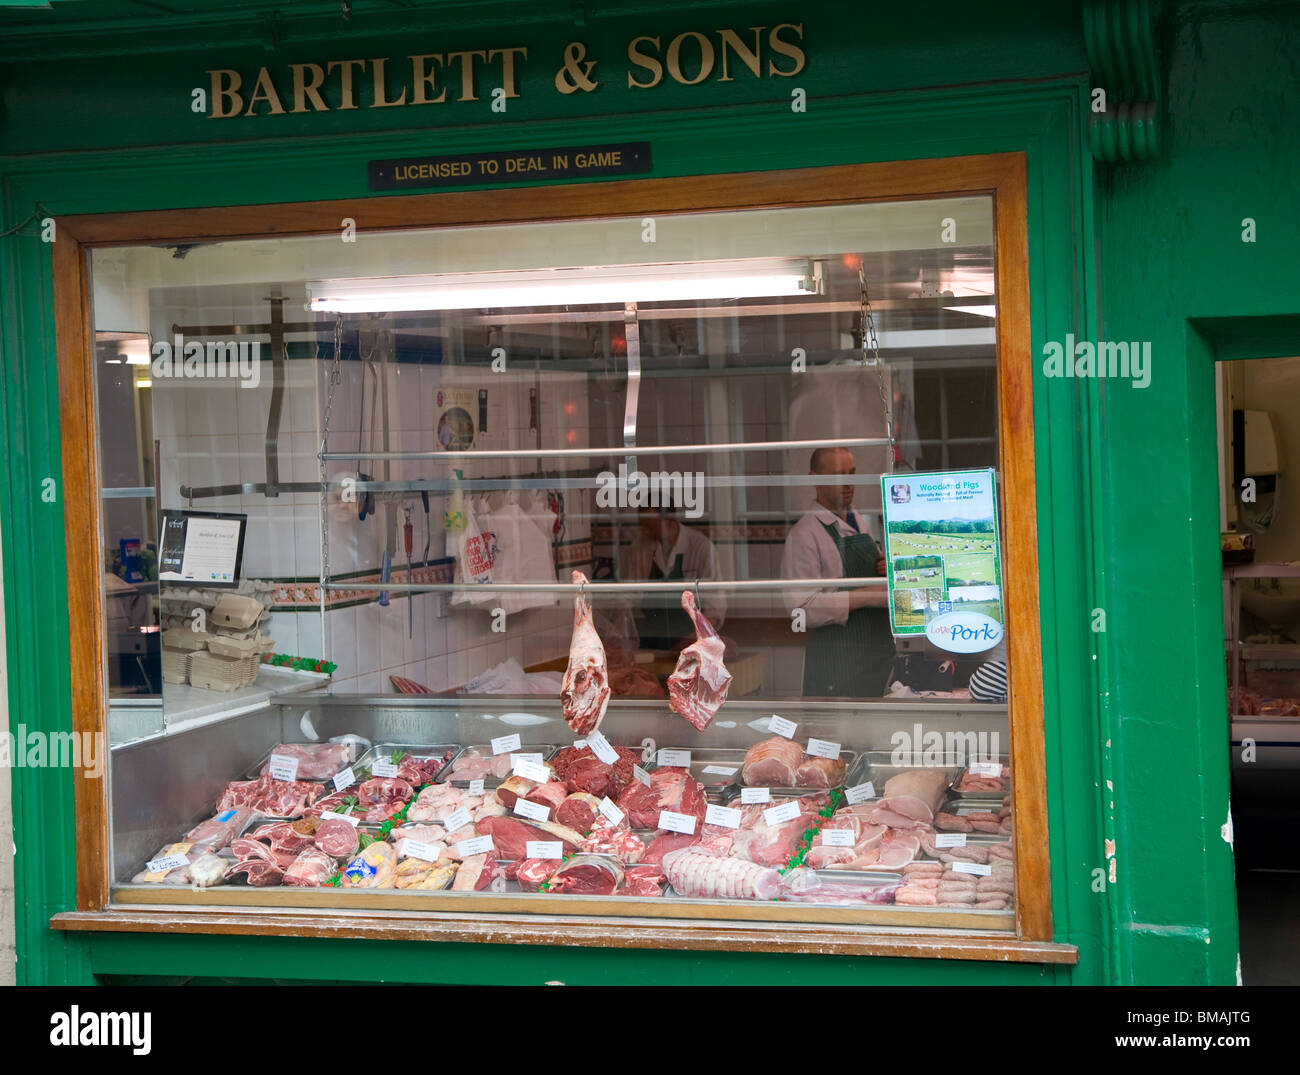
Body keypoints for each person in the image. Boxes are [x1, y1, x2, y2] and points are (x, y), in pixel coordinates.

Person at [780, 446, 895, 696]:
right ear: (815, 479)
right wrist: (867, 595)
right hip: (836, 662)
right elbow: (801, 609)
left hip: (874, 655)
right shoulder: (804, 534)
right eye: (838, 475)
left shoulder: (858, 521)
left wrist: (884, 566)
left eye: (852, 473)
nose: (848, 484)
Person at [620, 507, 725, 650]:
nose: (644, 531)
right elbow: (626, 597)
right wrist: (619, 634)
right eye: (642, 525)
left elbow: (715, 605)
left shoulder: (701, 548)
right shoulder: (638, 549)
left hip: (692, 640)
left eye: (650, 526)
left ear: (669, 520)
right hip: (650, 640)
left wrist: (696, 639)